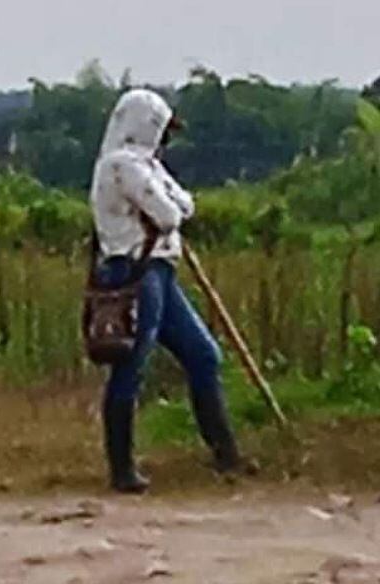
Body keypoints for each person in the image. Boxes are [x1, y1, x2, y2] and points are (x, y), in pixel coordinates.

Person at [89, 88, 249, 493]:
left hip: (160, 273)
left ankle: (225, 453)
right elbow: (169, 214)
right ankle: (121, 469)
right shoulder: (120, 167)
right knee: (131, 365)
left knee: (203, 355)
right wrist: (171, 203)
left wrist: (171, 200)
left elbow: (185, 206)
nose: (165, 140)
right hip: (134, 273)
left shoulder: (145, 167)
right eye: (162, 130)